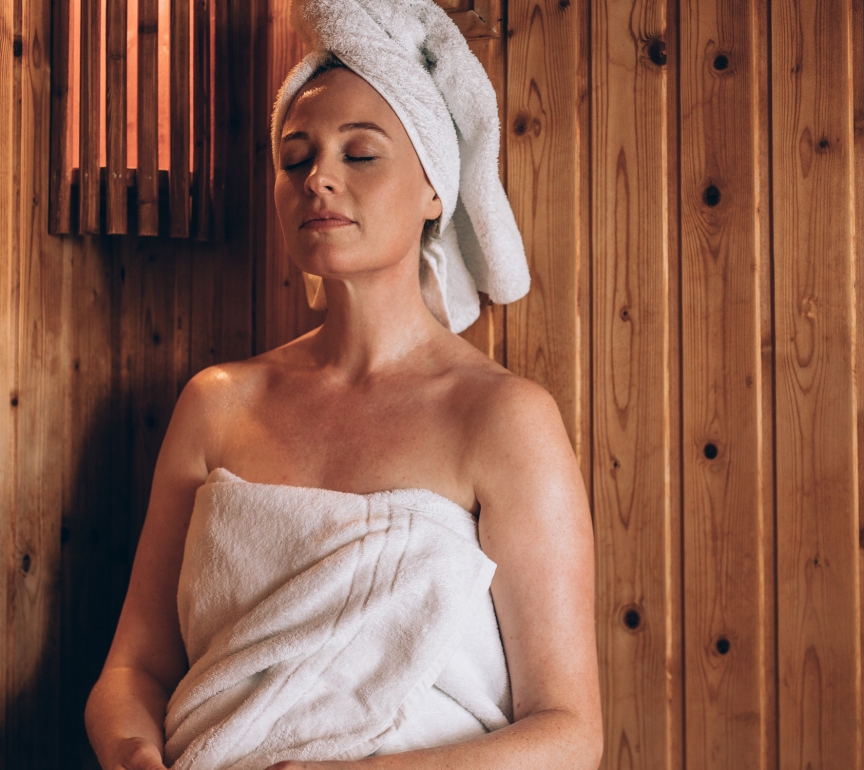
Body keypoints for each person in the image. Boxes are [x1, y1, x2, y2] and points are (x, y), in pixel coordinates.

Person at [84, 6, 603, 770]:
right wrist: (134, 756)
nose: (318, 177)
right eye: (295, 159)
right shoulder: (218, 403)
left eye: (360, 154)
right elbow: (135, 668)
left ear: (434, 190)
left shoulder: (502, 418)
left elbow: (567, 730)